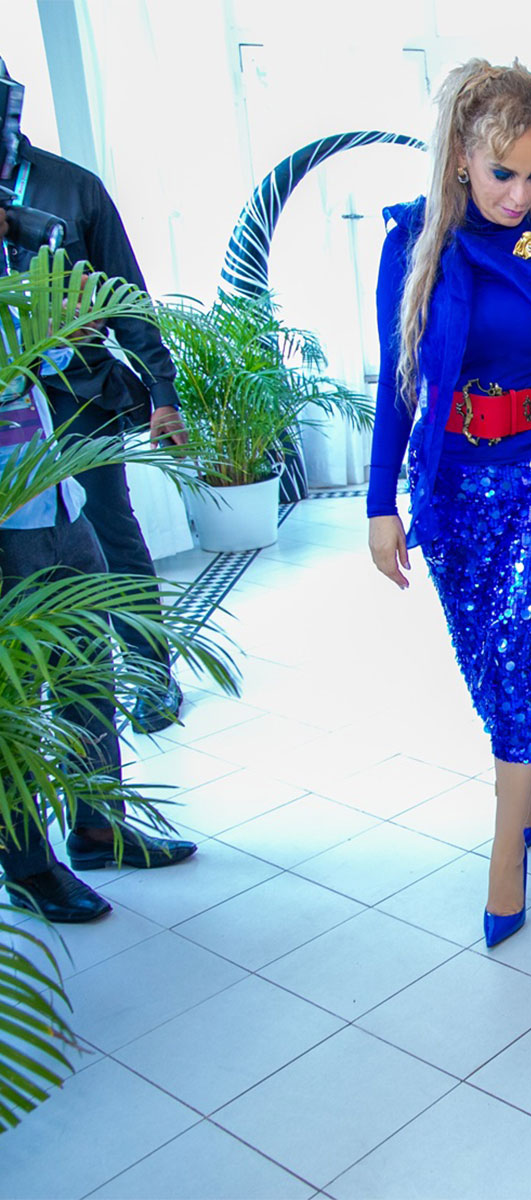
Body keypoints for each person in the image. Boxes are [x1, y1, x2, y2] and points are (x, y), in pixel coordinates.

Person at [366, 60, 531, 949]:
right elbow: (397, 383)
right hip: (451, 477)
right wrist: (380, 501)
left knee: (518, 641)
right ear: (461, 156)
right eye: (503, 174)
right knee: (480, 657)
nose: (519, 195)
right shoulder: (412, 246)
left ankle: (505, 849)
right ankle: (523, 772)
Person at [0, 59, 189, 733]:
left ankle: (150, 675)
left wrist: (162, 393)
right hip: (7, 421)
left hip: (77, 401)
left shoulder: (71, 188)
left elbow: (126, 297)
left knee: (108, 536)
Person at [0, 350, 195, 924]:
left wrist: (62, 338)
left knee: (87, 674)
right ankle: (28, 867)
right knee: (15, 703)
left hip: (60, 499)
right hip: (8, 520)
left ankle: (97, 826)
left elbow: (48, 363)